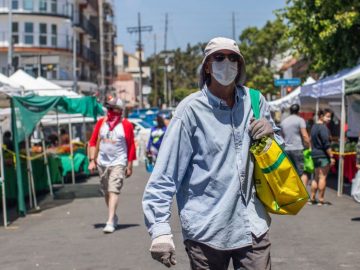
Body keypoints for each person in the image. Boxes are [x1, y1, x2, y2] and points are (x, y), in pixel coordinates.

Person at [142, 37, 279, 269]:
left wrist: (272, 134)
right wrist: (160, 231)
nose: (227, 62)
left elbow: (274, 155)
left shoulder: (255, 102)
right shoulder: (190, 111)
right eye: (219, 57)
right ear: (207, 65)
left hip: (251, 225)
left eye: (233, 57)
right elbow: (166, 173)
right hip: (206, 230)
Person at [88, 96, 136, 233]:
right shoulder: (101, 123)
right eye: (108, 107)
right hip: (102, 162)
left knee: (113, 189)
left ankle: (109, 221)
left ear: (119, 110)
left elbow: (131, 145)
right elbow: (92, 141)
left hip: (118, 162)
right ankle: (113, 215)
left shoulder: (126, 125)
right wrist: (92, 160)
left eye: (111, 108)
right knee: (106, 191)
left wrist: (130, 165)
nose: (109, 110)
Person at [309, 109, 335, 206]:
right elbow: (326, 144)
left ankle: (312, 198)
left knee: (316, 177)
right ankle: (321, 199)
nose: (329, 119)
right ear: (321, 116)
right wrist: (331, 156)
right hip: (323, 154)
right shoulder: (323, 128)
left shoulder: (314, 127)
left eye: (330, 117)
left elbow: (310, 140)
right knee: (322, 177)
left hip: (315, 154)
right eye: (327, 116)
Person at [280, 104, 311, 187]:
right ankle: (303, 194)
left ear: (290, 110)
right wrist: (308, 146)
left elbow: (282, 136)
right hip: (298, 148)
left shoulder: (284, 121)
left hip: (286, 149)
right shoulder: (300, 120)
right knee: (302, 172)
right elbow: (305, 135)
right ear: (298, 111)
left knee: (291, 173)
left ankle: (293, 193)